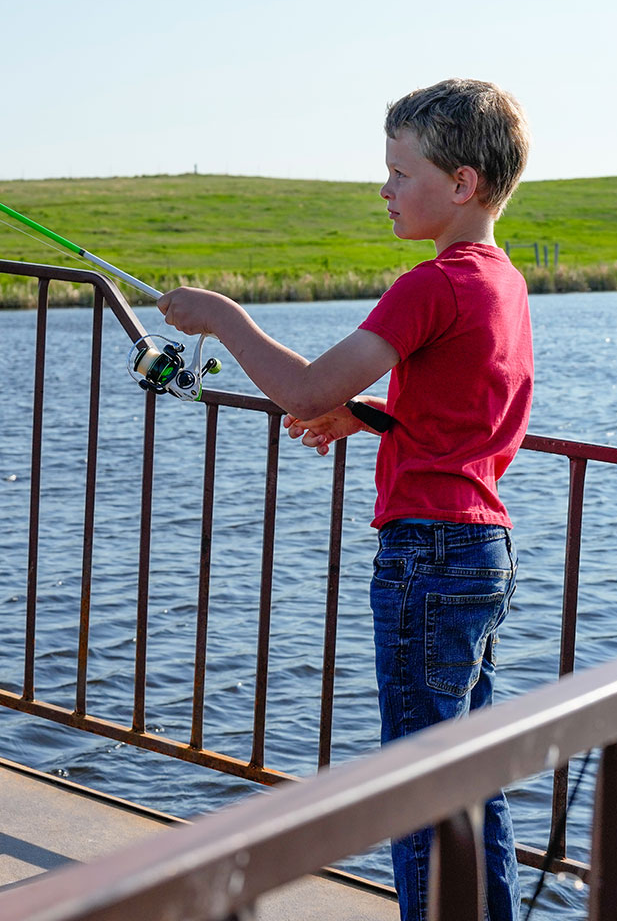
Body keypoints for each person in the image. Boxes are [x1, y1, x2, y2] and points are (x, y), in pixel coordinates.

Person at [158, 77, 533, 920]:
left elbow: (304, 388)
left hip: (426, 558)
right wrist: (367, 416)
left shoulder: (431, 284)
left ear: (462, 183)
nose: (385, 189)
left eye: (400, 173)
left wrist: (221, 316)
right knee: (469, 776)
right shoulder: (500, 280)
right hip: (481, 550)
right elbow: (464, 409)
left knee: (414, 788)